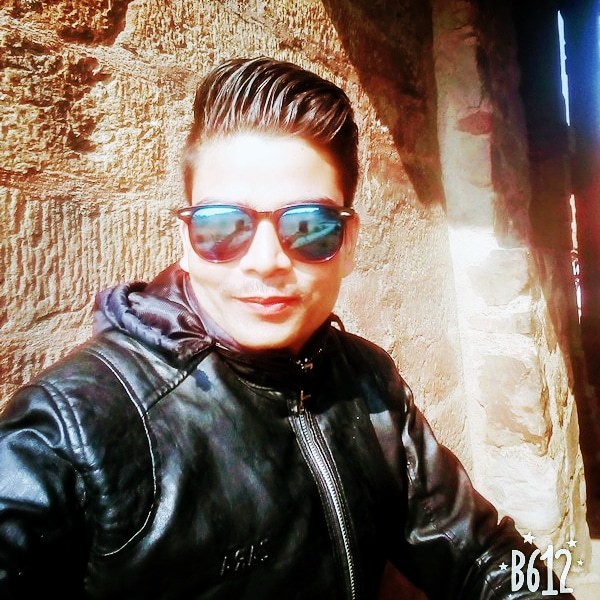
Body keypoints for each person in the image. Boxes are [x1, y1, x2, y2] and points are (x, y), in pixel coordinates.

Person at [0, 57, 573, 599]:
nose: (266, 261)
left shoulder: (367, 378)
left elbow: (477, 553)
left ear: (348, 243)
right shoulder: (68, 430)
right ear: (187, 243)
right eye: (223, 225)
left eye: (309, 226)